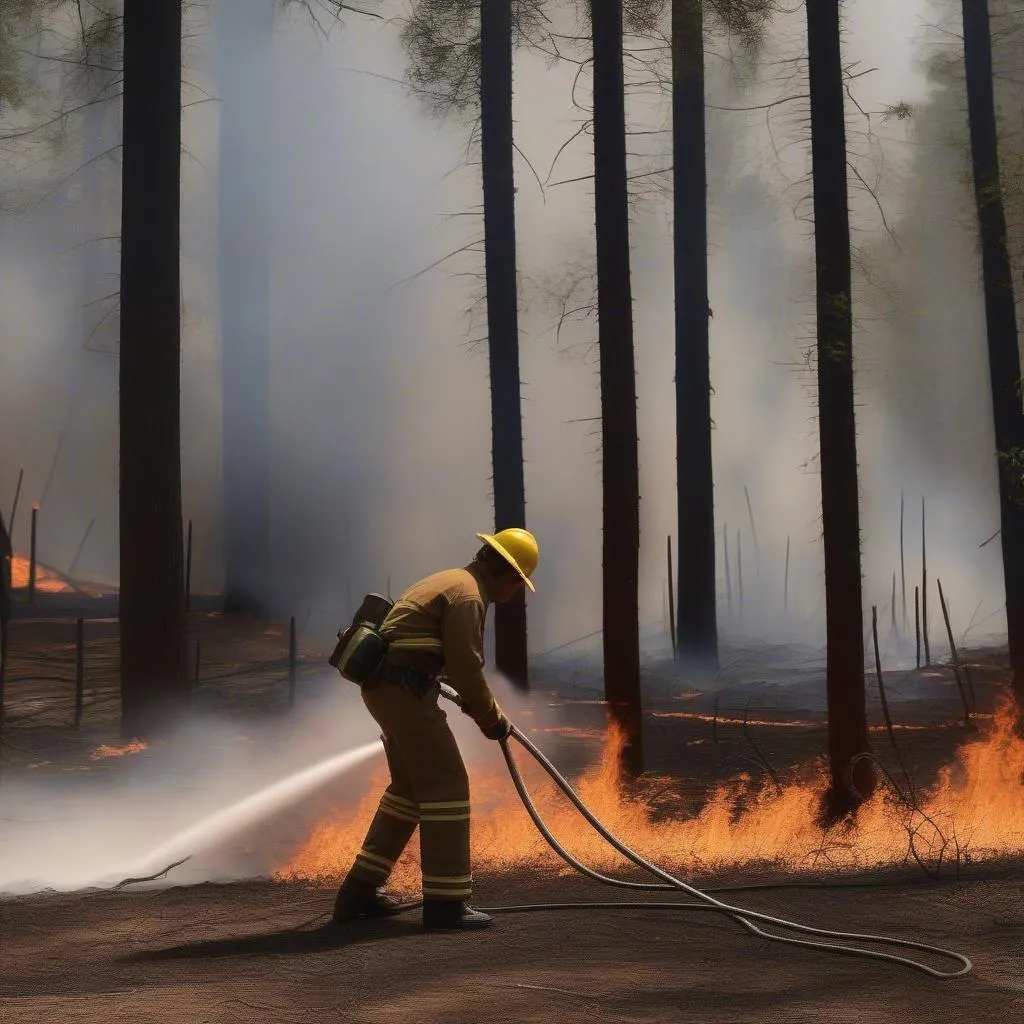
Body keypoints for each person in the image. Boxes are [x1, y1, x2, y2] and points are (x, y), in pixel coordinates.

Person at [331, 527, 538, 931]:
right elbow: (466, 667)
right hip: (403, 693)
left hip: (390, 689)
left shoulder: (452, 580)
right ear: (509, 574)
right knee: (447, 786)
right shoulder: (469, 596)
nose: (518, 592)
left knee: (409, 791)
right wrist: (490, 717)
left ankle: (358, 893)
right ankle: (446, 904)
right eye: (520, 583)